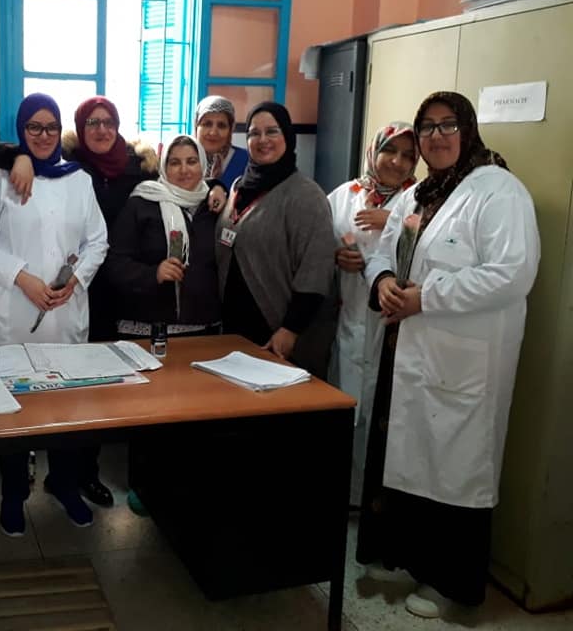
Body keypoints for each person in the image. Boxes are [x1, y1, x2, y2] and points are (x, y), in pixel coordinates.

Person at [0, 96, 225, 510]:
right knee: (25, 401)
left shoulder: (132, 169)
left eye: (109, 121)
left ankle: (76, 479)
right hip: (52, 299)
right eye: (92, 122)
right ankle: (18, 490)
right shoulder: (49, 166)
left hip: (97, 298)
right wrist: (17, 156)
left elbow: (105, 234)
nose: (101, 129)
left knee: (83, 396)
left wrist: (216, 186)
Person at [356, 91, 540, 620]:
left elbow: (512, 274)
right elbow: (383, 250)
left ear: (468, 129)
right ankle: (410, 561)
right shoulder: (420, 194)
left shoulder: (498, 191)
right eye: (428, 127)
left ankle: (451, 584)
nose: (436, 136)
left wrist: (427, 297)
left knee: (454, 469)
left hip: (464, 360)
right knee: (413, 459)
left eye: (448, 125)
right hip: (412, 351)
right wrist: (384, 280)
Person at [0, 93, 109, 536]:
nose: (43, 135)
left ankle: (63, 485)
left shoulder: (78, 180)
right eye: (34, 127)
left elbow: (97, 240)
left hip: (64, 315)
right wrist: (21, 277)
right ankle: (13, 494)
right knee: (13, 411)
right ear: (21, 129)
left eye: (51, 127)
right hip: (10, 314)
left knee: (65, 408)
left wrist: (76, 280)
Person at [327, 122, 418, 505]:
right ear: (373, 151)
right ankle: (342, 499)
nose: (397, 161)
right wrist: (337, 258)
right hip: (348, 320)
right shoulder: (343, 196)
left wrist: (393, 220)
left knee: (386, 415)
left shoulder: (418, 200)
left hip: (394, 327)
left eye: (408, 156)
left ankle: (371, 505)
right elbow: (318, 244)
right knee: (344, 409)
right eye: (389, 151)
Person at [215, 101, 337, 378]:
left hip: (277, 333)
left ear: (288, 136)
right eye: (254, 133)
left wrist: (290, 329)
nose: (262, 140)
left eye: (272, 131)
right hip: (232, 330)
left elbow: (316, 270)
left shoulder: (306, 196)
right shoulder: (237, 188)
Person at [105, 134, 221, 337]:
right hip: (146, 330)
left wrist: (219, 186)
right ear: (164, 167)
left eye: (191, 161)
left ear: (202, 164)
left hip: (204, 330)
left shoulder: (214, 206)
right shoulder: (142, 203)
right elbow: (114, 263)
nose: (184, 170)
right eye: (175, 163)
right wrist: (154, 274)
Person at [194, 95, 249, 188]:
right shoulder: (183, 160)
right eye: (207, 124)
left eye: (221, 126)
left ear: (230, 130)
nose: (213, 132)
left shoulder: (246, 161)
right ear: (196, 127)